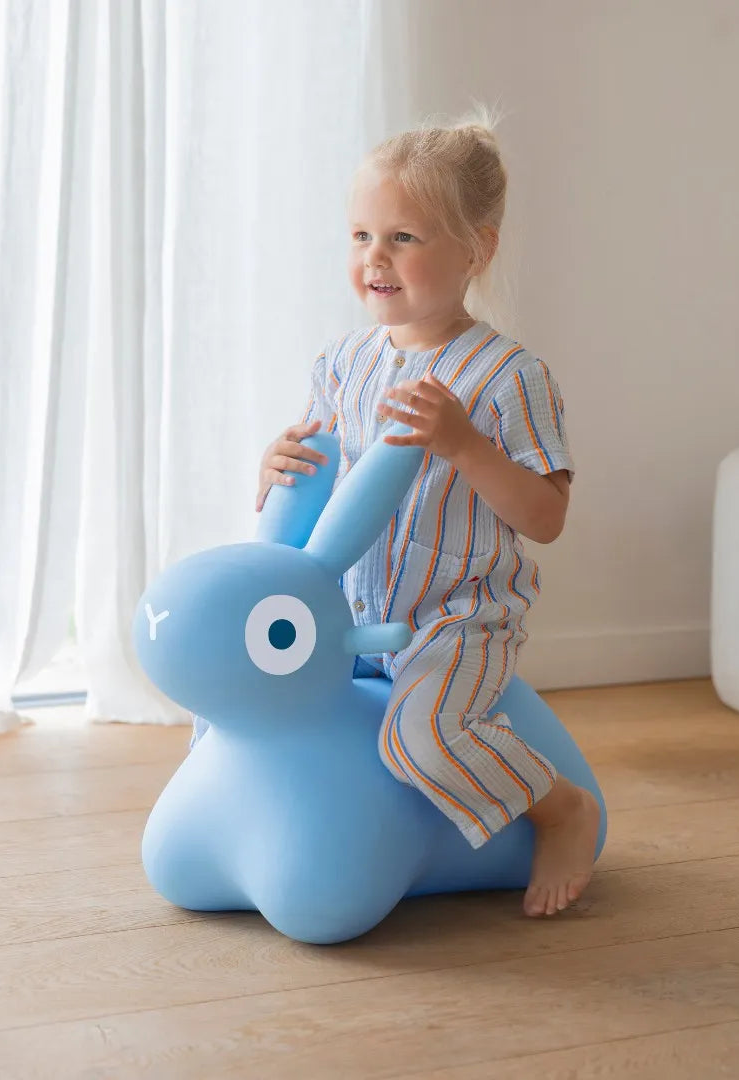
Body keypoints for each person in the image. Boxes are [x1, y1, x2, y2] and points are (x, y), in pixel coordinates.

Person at [200, 113, 600, 918]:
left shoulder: (509, 376)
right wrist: (275, 463)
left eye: (403, 238)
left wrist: (466, 446)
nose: (374, 259)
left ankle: (561, 809)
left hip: (454, 620)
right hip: (348, 617)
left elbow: (546, 517)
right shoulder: (344, 361)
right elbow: (316, 489)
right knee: (239, 686)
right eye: (361, 236)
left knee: (422, 737)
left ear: (476, 250)